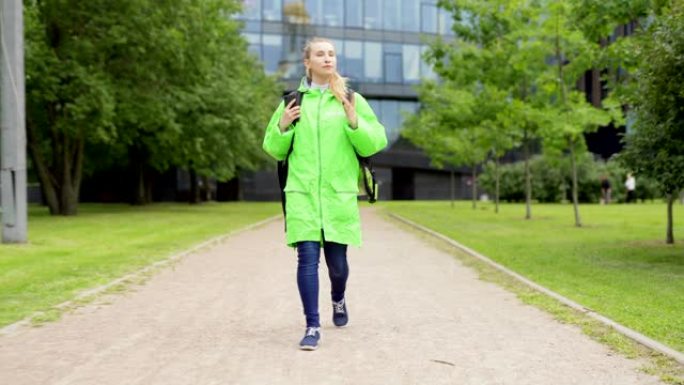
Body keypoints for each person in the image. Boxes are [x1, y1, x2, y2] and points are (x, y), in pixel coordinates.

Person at [262, 37, 388, 351]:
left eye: (331, 53)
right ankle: (312, 325)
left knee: (337, 265)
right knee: (306, 259)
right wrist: (282, 126)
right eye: (320, 53)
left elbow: (374, 143)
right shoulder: (292, 101)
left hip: (337, 195)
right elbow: (273, 148)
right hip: (302, 194)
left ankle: (338, 297)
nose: (327, 58)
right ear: (307, 62)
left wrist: (354, 122)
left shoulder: (350, 98)